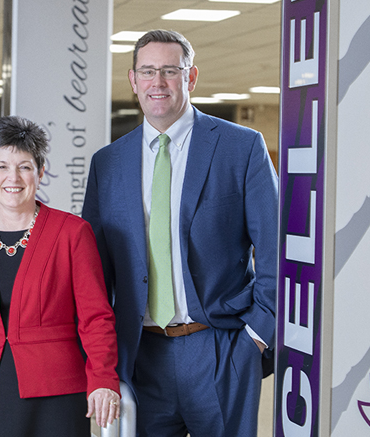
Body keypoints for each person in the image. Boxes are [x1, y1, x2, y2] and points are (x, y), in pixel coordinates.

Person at [82, 29, 279, 436]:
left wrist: (257, 336)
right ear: (133, 81)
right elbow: (94, 272)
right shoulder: (108, 164)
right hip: (140, 354)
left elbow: (277, 247)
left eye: (170, 71)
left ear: (190, 78)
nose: (158, 82)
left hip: (220, 347)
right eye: (148, 71)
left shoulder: (240, 147)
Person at [0, 115, 120, 437]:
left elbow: (96, 317)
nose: (13, 177)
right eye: (2, 166)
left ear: (41, 172)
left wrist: (103, 378)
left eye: (24, 166)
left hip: (58, 394)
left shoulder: (73, 233)